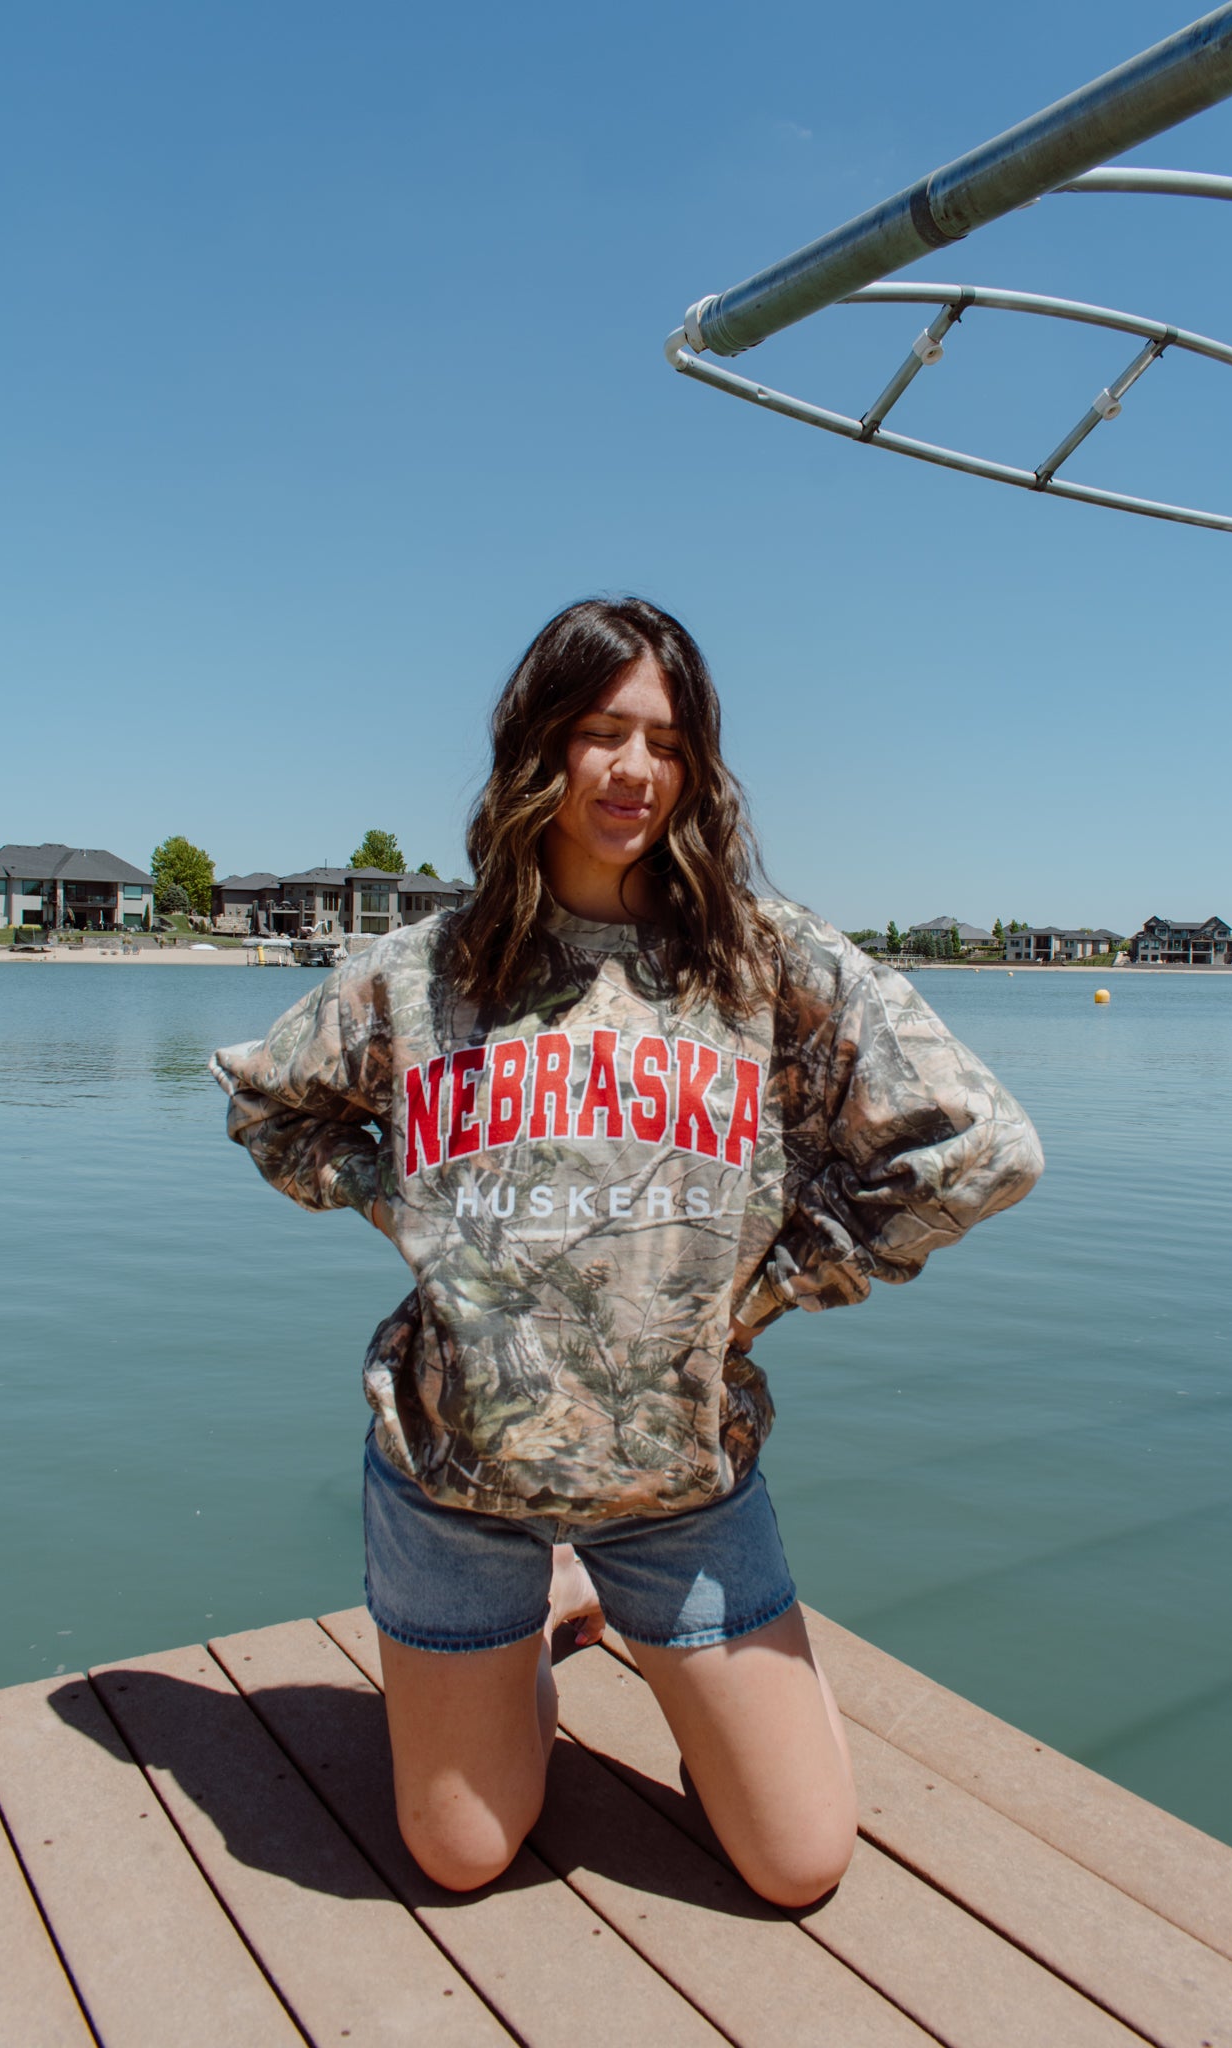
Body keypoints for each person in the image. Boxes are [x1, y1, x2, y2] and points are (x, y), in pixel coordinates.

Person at [211, 596, 1042, 1908]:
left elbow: (979, 1150)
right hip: (457, 1482)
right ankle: (537, 1616)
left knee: (798, 1864)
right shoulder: (421, 973)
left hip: (683, 1494)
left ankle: (625, 1613)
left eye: (665, 740)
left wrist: (763, 1285)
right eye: (600, 732)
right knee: (461, 1855)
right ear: (538, 749)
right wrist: (408, 1208)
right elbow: (269, 1103)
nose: (633, 770)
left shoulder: (766, 964)